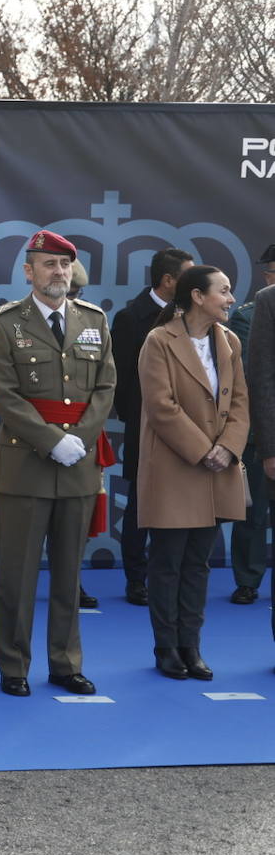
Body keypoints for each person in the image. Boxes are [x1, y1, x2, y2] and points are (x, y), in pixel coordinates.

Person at [0, 229, 115, 697]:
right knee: (17, 575)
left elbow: (105, 387)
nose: (57, 273)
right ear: (29, 271)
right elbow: (5, 395)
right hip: (26, 463)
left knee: (68, 576)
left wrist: (79, 439)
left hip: (78, 463)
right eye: (47, 265)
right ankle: (14, 666)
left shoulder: (94, 320)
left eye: (63, 266)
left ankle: (65, 662)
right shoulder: (4, 322)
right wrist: (50, 441)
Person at [137, 265, 247, 680]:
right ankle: (166, 648)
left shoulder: (230, 342)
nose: (231, 298)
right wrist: (206, 451)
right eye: (224, 291)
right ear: (197, 297)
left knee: (199, 563)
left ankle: (192, 647)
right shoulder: (159, 340)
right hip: (175, 467)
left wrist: (229, 448)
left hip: (216, 468)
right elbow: (161, 406)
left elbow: (240, 402)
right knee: (167, 562)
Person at [111, 247, 194, 606]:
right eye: (187, 276)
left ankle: (174, 576)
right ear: (168, 281)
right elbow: (122, 379)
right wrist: (142, 419)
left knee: (183, 502)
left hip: (189, 426)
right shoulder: (131, 317)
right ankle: (136, 578)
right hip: (145, 426)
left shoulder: (194, 315)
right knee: (140, 503)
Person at [224, 243, 275, 605]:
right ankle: (248, 579)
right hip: (262, 427)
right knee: (253, 514)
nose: (270, 277)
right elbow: (256, 374)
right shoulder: (250, 313)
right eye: (270, 271)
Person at [67, 260, 100, 610]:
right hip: (38, 433)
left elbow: (103, 384)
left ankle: (72, 577)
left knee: (77, 518)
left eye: (78, 293)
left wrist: (85, 432)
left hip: (82, 432)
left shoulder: (92, 322)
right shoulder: (17, 321)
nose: (73, 297)